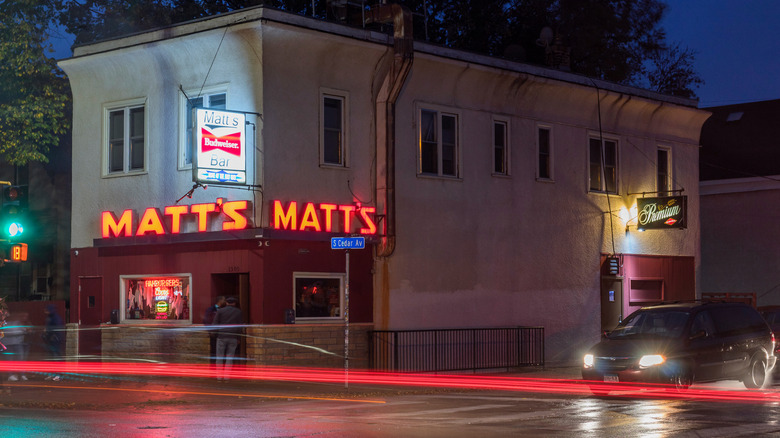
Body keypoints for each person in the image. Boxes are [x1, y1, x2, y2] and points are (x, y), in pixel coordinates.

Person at [213, 297, 243, 381]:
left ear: (226, 303)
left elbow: (215, 323)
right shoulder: (238, 312)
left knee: (219, 357)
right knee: (230, 358)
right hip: (233, 337)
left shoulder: (220, 311)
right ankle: (227, 377)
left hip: (222, 336)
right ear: (234, 303)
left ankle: (219, 377)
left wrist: (215, 334)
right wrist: (238, 338)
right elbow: (240, 326)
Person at [2, 311, 30, 382]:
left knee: (20, 359)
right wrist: (23, 331)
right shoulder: (4, 323)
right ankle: (11, 375)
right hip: (8, 344)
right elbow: (10, 332)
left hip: (17, 343)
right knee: (10, 360)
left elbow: (23, 330)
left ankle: (21, 374)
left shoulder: (17, 322)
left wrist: (25, 330)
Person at [42, 305, 65, 381]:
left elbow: (56, 329)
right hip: (52, 340)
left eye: (46, 310)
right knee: (52, 357)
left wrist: (49, 333)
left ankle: (58, 375)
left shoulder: (54, 318)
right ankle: (53, 374)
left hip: (55, 340)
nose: (45, 312)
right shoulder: (51, 317)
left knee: (56, 357)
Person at [203, 296, 226, 365]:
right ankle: (213, 365)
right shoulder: (211, 309)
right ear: (220, 301)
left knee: (222, 350)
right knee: (214, 350)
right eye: (224, 300)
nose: (225, 301)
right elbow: (206, 320)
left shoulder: (223, 310)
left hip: (222, 334)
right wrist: (210, 330)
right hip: (214, 334)